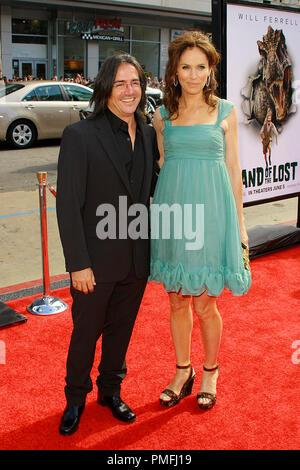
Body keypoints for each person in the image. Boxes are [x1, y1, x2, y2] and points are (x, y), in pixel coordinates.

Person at [56, 52, 159, 435]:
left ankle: (110, 391)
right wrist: (78, 263)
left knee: (121, 330)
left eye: (135, 83)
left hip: (135, 258)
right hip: (94, 263)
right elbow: (68, 205)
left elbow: (147, 194)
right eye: (120, 83)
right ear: (105, 88)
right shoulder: (80, 135)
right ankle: (75, 398)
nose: (129, 91)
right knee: (85, 332)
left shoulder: (147, 132)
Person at [148, 31, 251, 410]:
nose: (193, 74)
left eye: (201, 67)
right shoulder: (161, 116)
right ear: (174, 71)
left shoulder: (225, 111)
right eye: (185, 66)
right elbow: (163, 164)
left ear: (211, 71)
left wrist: (239, 225)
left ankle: (210, 370)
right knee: (176, 301)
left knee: (205, 304)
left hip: (211, 216)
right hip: (174, 216)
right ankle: (182, 369)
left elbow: (234, 169)